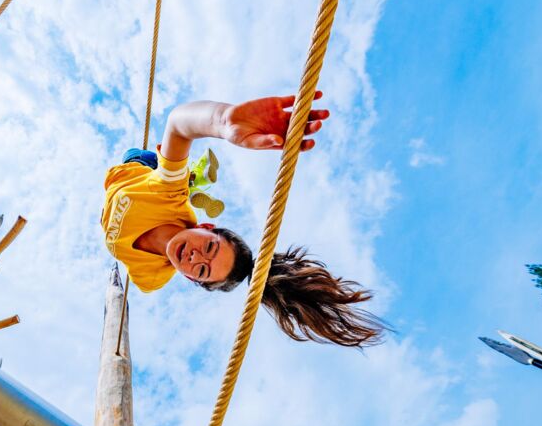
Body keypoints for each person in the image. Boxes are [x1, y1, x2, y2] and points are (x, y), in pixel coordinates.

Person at [101, 92, 384, 347]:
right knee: (144, 156)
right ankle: (188, 177)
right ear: (206, 227)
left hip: (114, 201)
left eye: (201, 270)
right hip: (134, 171)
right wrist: (223, 120)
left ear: (189, 278)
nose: (195, 257)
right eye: (210, 247)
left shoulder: (150, 278)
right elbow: (179, 124)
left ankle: (194, 179)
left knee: (172, 168)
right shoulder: (167, 193)